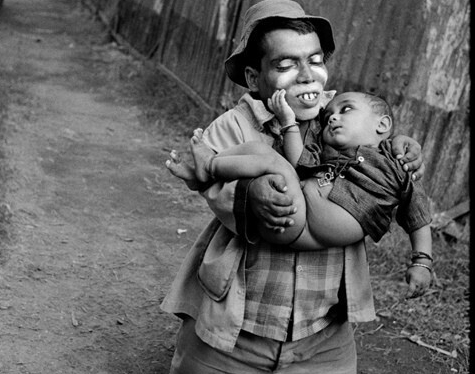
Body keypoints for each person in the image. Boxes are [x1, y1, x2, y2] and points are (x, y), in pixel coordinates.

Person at [160, 0, 425, 374]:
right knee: (215, 357)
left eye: (315, 60)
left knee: (323, 369)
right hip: (252, 281)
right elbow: (214, 185)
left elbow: (372, 137)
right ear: (253, 77)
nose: (306, 76)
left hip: (322, 290)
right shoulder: (233, 125)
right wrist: (249, 194)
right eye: (286, 65)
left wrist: (402, 144)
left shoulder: (331, 114)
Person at [167, 89, 432, 300]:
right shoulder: (326, 151)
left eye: (346, 109)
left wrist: (422, 262)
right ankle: (208, 169)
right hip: (290, 211)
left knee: (271, 161)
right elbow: (298, 162)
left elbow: (418, 215)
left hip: (300, 229)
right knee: (264, 154)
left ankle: (207, 170)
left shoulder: (399, 166)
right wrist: (288, 123)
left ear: (382, 124)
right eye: (328, 117)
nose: (333, 118)